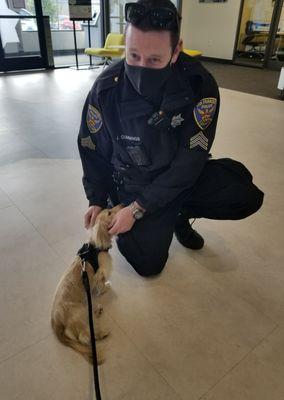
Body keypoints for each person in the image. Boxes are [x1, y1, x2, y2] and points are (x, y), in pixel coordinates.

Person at [78, 0, 264, 277]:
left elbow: (191, 160)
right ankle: (161, 217)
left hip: (179, 178)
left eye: (154, 59)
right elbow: (92, 146)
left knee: (243, 195)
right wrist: (97, 198)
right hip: (133, 181)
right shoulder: (107, 88)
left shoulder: (198, 84)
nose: (141, 67)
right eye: (133, 55)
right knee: (148, 265)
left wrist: (139, 210)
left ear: (176, 50)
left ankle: (180, 213)